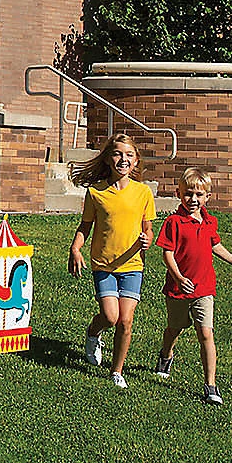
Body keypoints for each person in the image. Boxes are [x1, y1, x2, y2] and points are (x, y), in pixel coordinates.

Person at [151, 167, 232, 406]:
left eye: (198, 194)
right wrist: (177, 277)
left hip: (204, 288)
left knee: (205, 333)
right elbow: (167, 254)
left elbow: (215, 245)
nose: (193, 199)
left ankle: (210, 385)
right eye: (188, 194)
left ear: (207, 196)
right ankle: (166, 354)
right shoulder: (173, 222)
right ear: (179, 193)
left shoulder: (209, 222)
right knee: (174, 328)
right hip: (178, 289)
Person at [68, 134, 156, 389]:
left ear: (136, 161)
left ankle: (117, 371)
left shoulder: (143, 193)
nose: (123, 159)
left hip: (132, 266)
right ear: (108, 159)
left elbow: (148, 228)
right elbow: (85, 226)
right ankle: (94, 332)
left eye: (129, 155)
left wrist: (147, 239)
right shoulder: (96, 193)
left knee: (126, 321)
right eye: (117, 154)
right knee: (110, 316)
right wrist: (76, 249)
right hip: (104, 265)